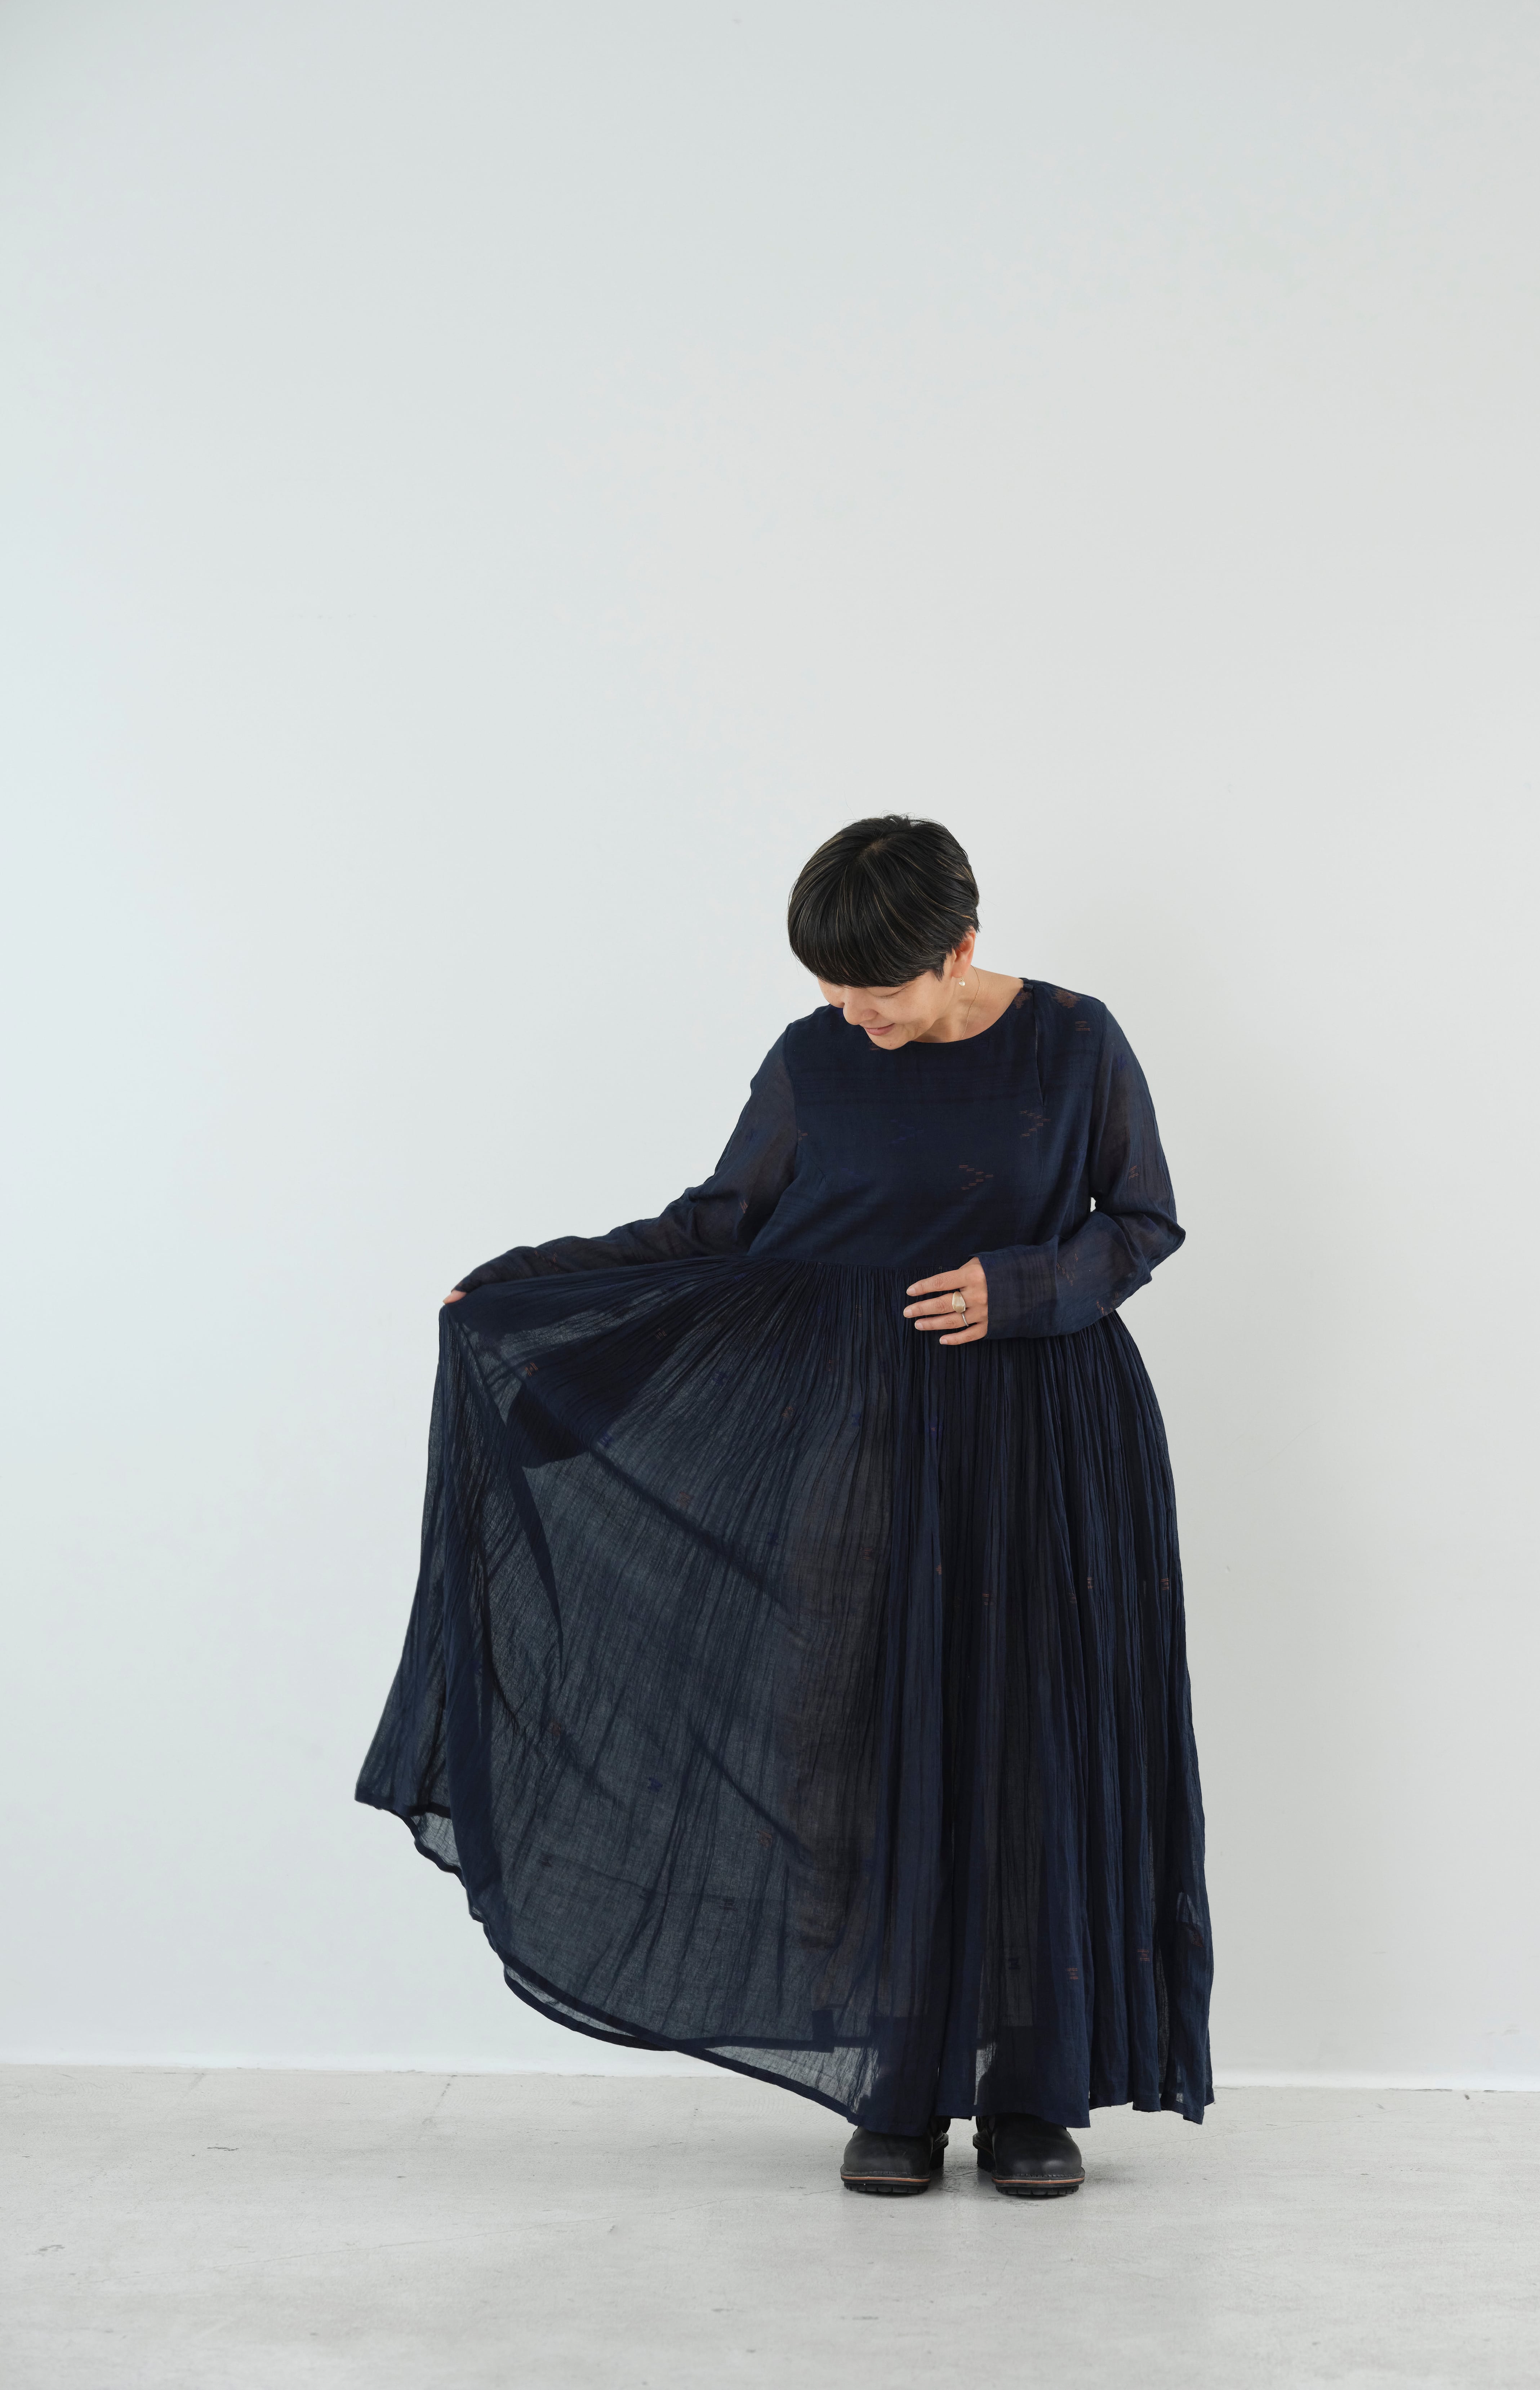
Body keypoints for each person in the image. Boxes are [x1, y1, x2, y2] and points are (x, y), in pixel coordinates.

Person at [357, 814, 1214, 2199]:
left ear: (962, 949)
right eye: (833, 988)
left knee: (1033, 1747)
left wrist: (1024, 1286)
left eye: (883, 991)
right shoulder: (815, 1059)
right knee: (860, 1741)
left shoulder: (1075, 1041)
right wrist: (527, 1280)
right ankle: (897, 2085)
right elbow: (717, 1227)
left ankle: (1029, 2095)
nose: (856, 1016)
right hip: (865, 1436)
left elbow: (1144, 1221)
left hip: (1051, 1437)